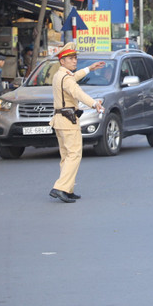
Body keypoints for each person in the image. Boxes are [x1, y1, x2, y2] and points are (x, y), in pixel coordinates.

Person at [48, 43, 106, 203]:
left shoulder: (60, 75)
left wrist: (89, 68)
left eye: (75, 58)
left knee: (66, 156)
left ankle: (68, 189)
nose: (74, 61)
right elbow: (77, 92)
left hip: (60, 120)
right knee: (74, 155)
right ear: (62, 61)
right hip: (68, 121)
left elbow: (74, 78)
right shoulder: (66, 78)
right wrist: (94, 104)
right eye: (71, 58)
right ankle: (60, 188)